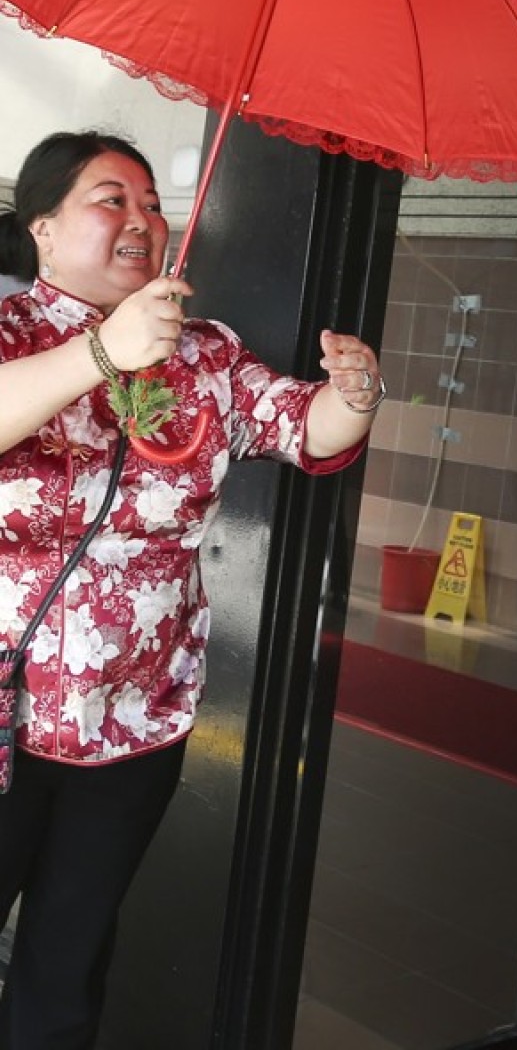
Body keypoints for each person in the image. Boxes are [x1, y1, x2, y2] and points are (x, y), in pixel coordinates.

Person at [0, 131, 385, 1049]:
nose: (139, 218)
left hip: (134, 713)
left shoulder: (202, 352)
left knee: (71, 949)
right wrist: (104, 351)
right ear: (45, 229)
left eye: (148, 200)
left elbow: (304, 429)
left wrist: (355, 394)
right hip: (9, 709)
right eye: (109, 199)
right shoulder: (13, 334)